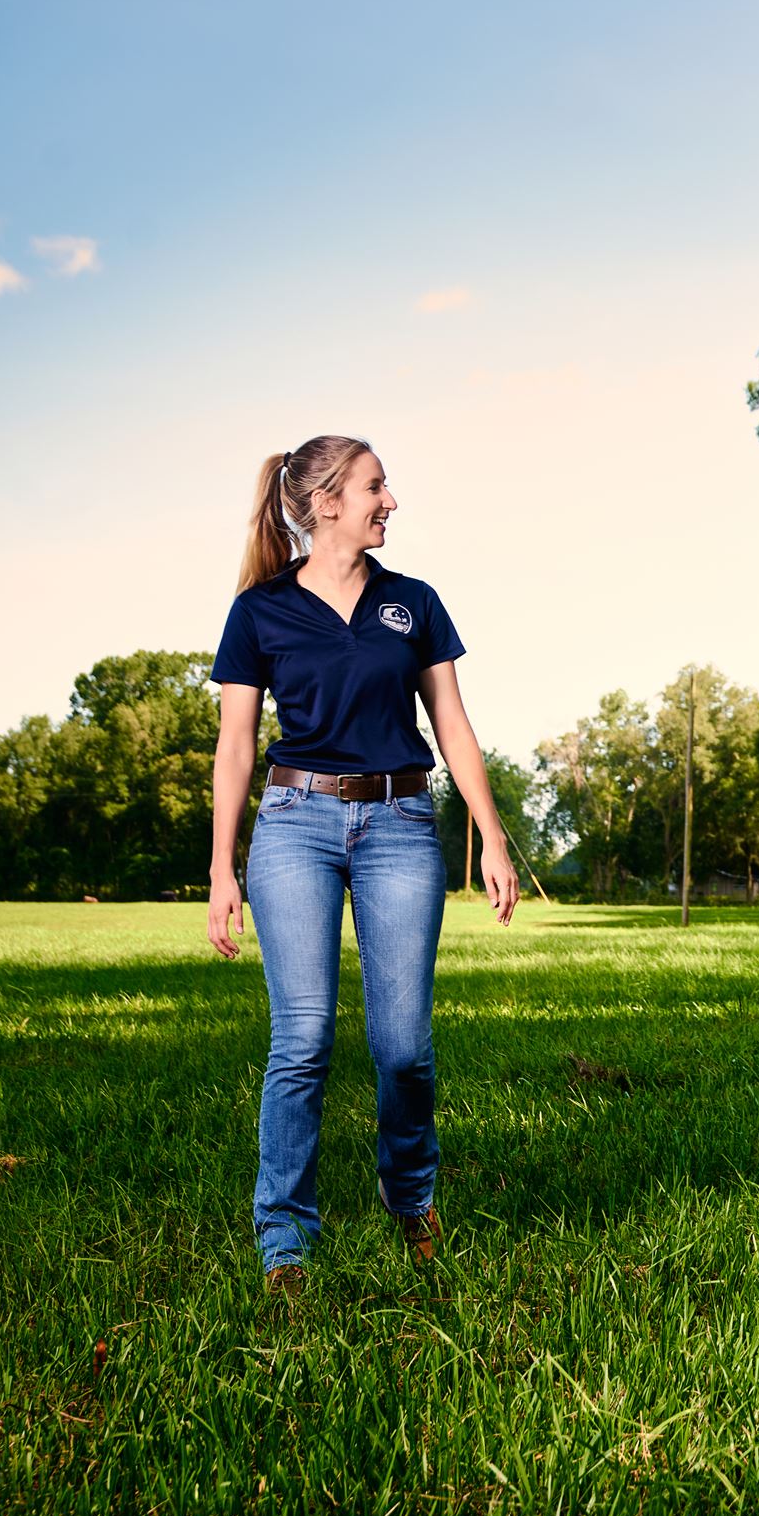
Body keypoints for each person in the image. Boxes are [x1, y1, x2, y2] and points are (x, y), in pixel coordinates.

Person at [204, 434, 519, 1298]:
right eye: (376, 486)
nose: (390, 501)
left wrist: (490, 833)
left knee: (403, 1047)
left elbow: (451, 722)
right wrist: (221, 866)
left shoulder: (412, 602)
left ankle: (410, 1195)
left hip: (401, 822)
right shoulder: (259, 611)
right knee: (301, 1039)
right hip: (295, 822)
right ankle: (285, 1236)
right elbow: (237, 744)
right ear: (327, 502)